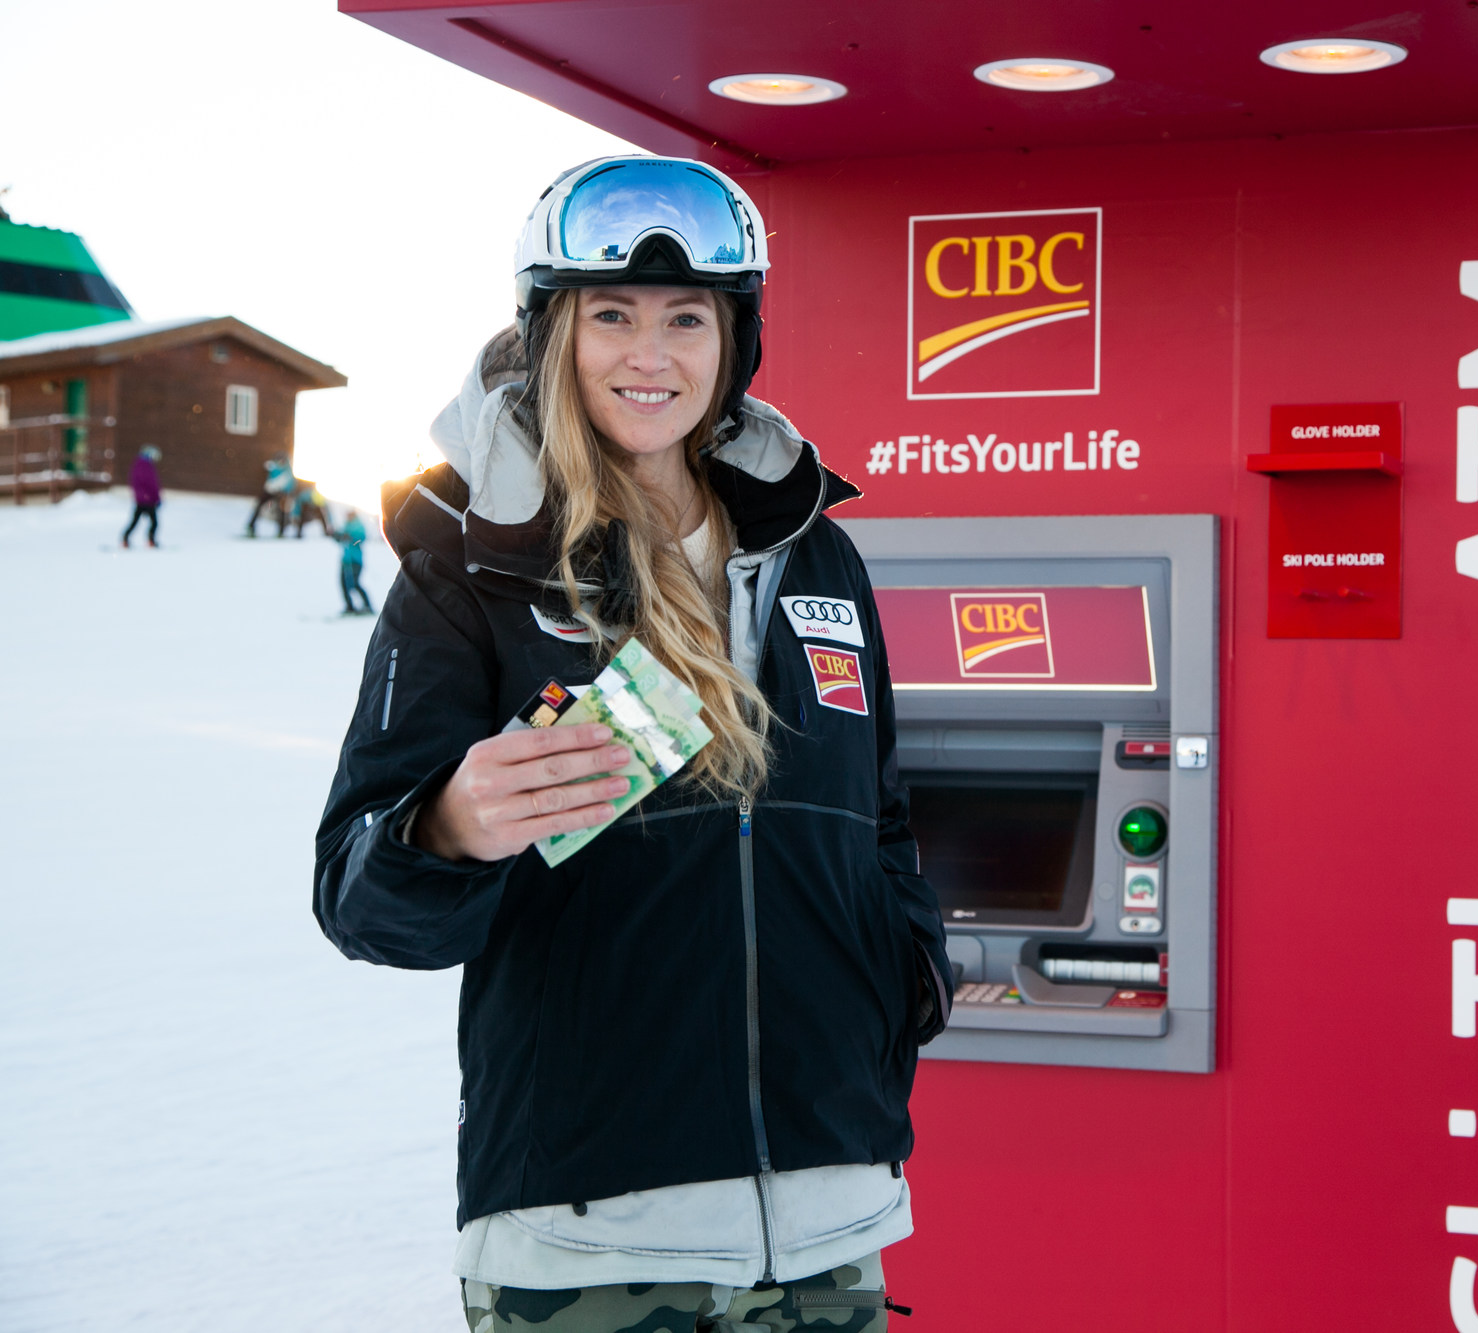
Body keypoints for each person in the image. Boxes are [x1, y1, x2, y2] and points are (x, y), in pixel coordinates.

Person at [314, 156, 948, 1333]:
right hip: (588, 1234)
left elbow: (883, 820)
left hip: (833, 1215)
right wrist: (444, 829)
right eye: (610, 315)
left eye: (685, 319)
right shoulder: (474, 557)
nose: (648, 354)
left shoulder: (814, 552)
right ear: (555, 332)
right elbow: (358, 898)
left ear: (734, 340)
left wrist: (905, 974)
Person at [121, 445, 161, 548]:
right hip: (145, 500)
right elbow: (142, 483)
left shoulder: (146, 465)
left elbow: (153, 484)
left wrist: (156, 498)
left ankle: (126, 539)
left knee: (138, 521)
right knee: (152, 522)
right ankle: (149, 541)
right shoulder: (143, 465)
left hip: (146, 499)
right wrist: (146, 496)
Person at [337, 507, 373, 615]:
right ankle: (349, 606)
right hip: (346, 560)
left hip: (355, 560)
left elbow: (360, 539)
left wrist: (351, 538)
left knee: (355, 583)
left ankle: (367, 606)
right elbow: (340, 538)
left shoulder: (358, 526)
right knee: (344, 584)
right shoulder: (346, 525)